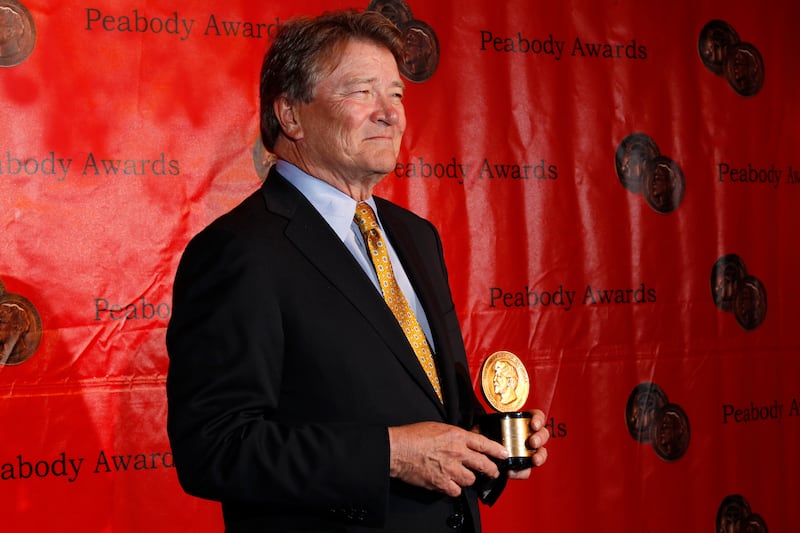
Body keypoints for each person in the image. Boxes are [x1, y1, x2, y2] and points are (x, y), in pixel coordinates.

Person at [166, 9, 549, 532]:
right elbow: (214, 447)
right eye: (361, 91)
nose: (390, 113)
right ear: (291, 115)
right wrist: (389, 454)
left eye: (396, 94)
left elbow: (406, 406)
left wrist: (486, 445)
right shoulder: (239, 250)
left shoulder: (415, 235)